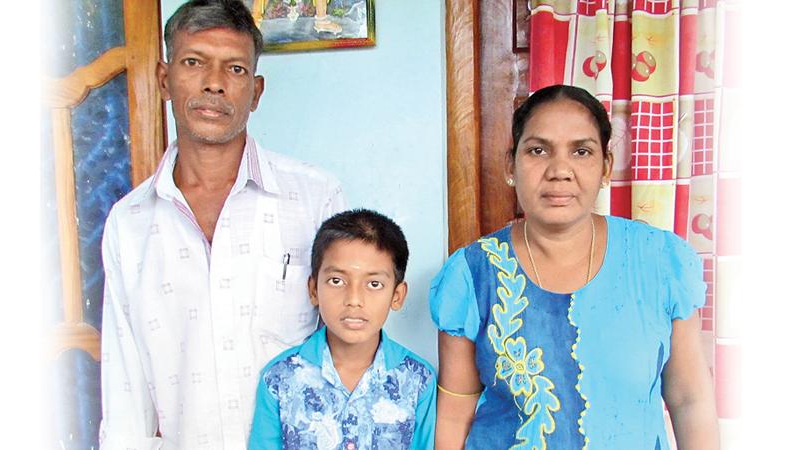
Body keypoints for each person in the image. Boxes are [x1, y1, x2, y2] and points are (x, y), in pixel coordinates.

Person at [98, 1, 345, 448]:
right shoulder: (130, 223)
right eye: (194, 62)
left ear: (255, 91)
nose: (214, 84)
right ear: (164, 79)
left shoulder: (314, 197)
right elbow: (125, 385)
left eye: (234, 69)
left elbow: (350, 342)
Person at [429, 85, 719, 449]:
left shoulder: (660, 261)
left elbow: (690, 400)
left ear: (605, 167)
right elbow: (456, 413)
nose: (560, 170)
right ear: (511, 166)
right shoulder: (473, 273)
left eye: (581, 151)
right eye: (538, 150)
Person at [248, 209, 436, 449]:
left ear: (397, 296)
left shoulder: (418, 380)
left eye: (374, 284)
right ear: (314, 289)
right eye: (337, 281)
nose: (354, 299)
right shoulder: (279, 378)